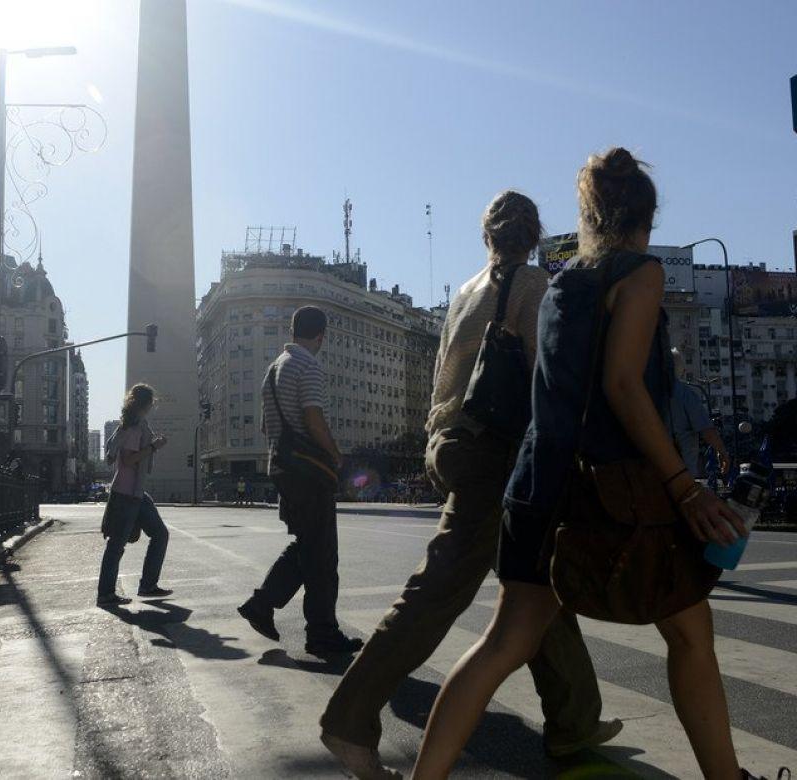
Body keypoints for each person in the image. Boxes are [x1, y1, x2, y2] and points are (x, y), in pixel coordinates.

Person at [412, 149, 756, 779]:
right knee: (689, 637)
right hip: (614, 492)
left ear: (589, 218)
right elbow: (624, 386)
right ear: (644, 222)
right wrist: (685, 488)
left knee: (501, 646)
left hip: (537, 487)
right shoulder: (641, 274)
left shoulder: (560, 283)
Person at [320, 192, 617, 779]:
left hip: (452, 441)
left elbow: (445, 378)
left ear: (487, 235)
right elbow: (545, 377)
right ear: (533, 234)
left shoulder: (466, 290)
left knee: (536, 581)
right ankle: (349, 722)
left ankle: (574, 722)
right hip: (496, 450)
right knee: (441, 589)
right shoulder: (533, 286)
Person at [237, 305, 362, 656]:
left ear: (293, 330)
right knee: (322, 556)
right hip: (308, 472)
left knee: (308, 546)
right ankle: (322, 634)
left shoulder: (273, 369)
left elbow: (266, 427)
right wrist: (335, 456)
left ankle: (263, 604)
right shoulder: (308, 365)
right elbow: (312, 416)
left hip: (282, 467)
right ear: (321, 335)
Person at [97, 383, 172, 605]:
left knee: (160, 534)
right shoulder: (132, 427)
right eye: (151, 403)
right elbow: (129, 460)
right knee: (116, 545)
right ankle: (105, 594)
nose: (152, 406)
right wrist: (155, 446)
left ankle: (148, 585)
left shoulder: (136, 424)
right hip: (125, 493)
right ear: (145, 403)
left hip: (136, 493)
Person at [670, 348, 729, 478]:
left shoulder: (646, 394)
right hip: (681, 473)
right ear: (679, 368)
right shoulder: (685, 394)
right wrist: (722, 452)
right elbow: (706, 429)